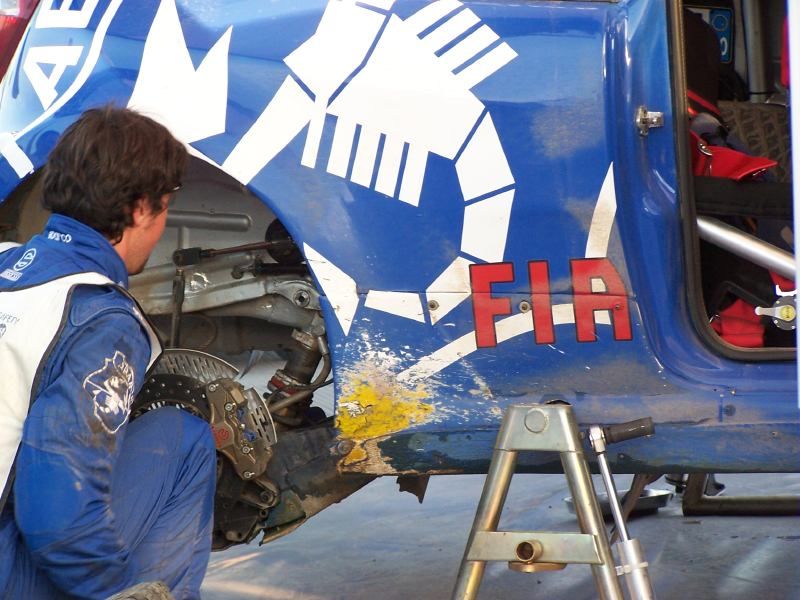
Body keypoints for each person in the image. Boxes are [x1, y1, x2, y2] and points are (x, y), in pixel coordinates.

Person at [0, 106, 216, 599]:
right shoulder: (99, 320)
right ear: (141, 209)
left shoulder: (6, 262)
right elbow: (59, 523)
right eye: (165, 207)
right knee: (183, 439)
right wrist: (117, 590)